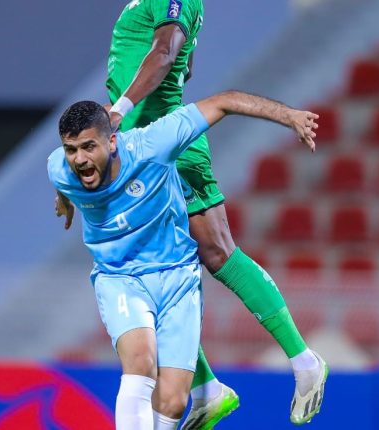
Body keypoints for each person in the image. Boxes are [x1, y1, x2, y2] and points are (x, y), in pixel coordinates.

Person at [57, 0, 325, 426]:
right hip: (132, 150)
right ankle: (206, 388)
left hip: (165, 145)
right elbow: (185, 63)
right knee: (154, 263)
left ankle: (303, 360)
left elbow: (166, 53)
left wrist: (120, 110)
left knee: (217, 252)